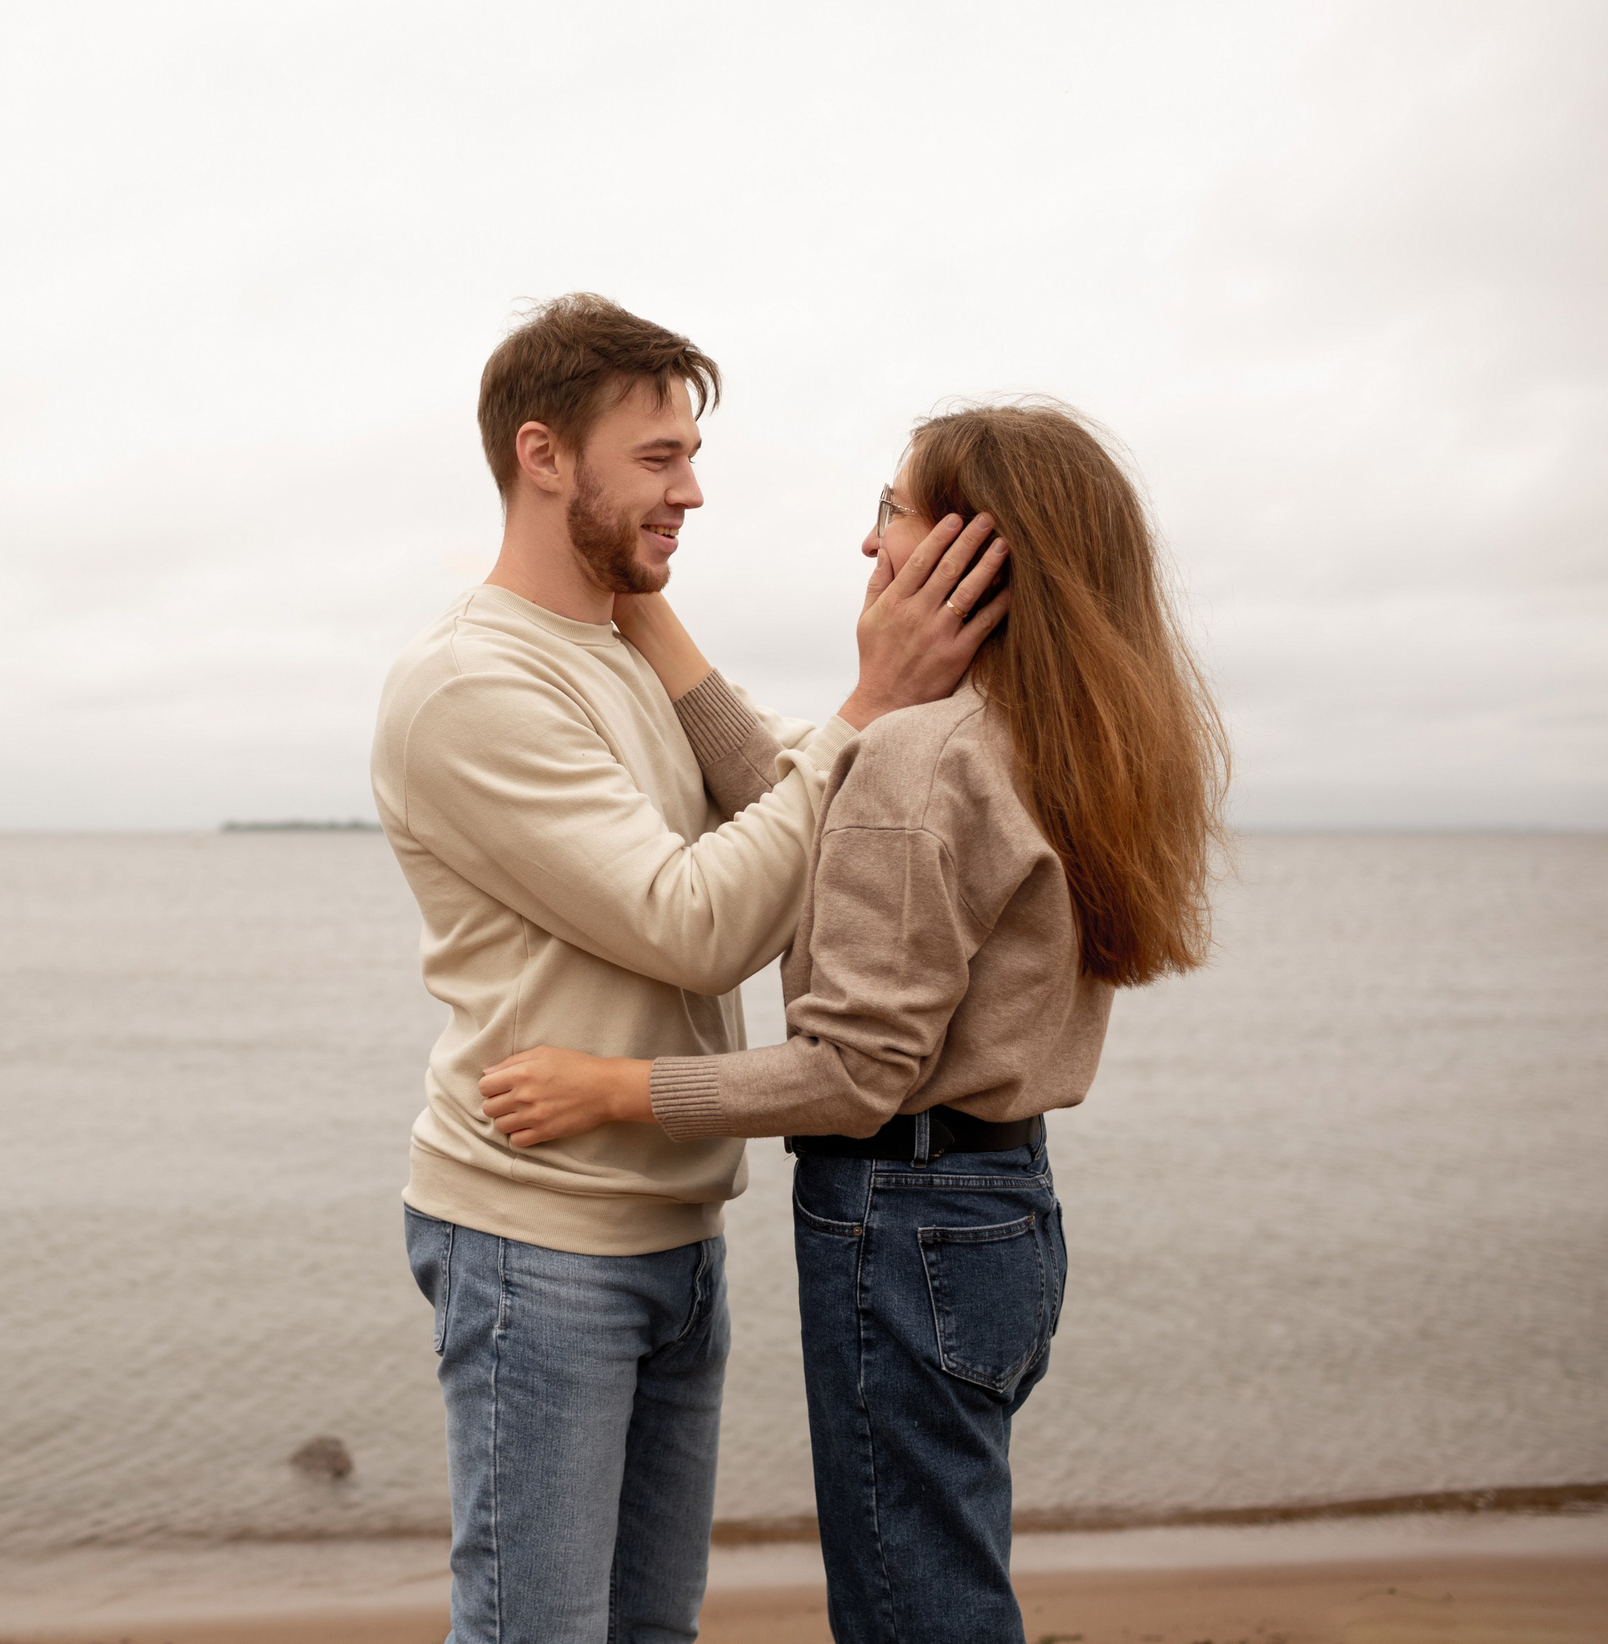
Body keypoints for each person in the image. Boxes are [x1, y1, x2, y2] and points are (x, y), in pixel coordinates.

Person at [479, 401, 1229, 1644]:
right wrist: (646, 606)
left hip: (905, 1222)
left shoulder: (926, 759)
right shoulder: (1053, 737)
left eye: (890, 513)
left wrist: (617, 1089)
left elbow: (855, 1073)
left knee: (911, 1613)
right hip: (1003, 1217)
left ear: (968, 552)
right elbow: (807, 804)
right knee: (945, 1576)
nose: (868, 549)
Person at [371, 294, 1008, 1644]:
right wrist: (866, 704)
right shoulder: (473, 685)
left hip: (672, 1228)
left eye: (691, 454)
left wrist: (736, 667)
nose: (693, 489)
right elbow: (699, 920)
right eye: (659, 456)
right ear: (546, 456)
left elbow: (795, 807)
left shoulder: (613, 653)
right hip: (536, 1239)